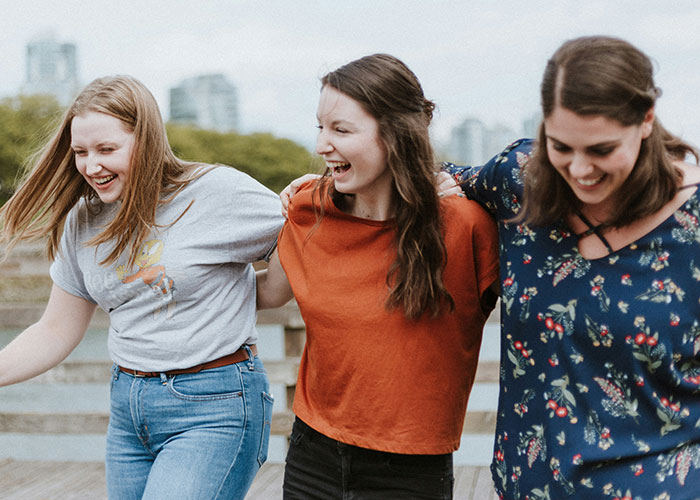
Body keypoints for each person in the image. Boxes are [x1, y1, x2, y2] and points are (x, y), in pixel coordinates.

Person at [439, 36, 700, 498]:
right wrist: (320, 192)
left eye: (601, 150)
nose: (579, 169)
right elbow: (433, 177)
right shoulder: (520, 178)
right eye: (561, 146)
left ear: (646, 121)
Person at [0, 75, 283, 499]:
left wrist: (251, 291)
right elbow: (55, 331)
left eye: (107, 149)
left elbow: (304, 238)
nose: (91, 165)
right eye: (80, 152)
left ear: (146, 140)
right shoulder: (83, 220)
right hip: (129, 410)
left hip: (214, 406)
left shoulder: (215, 193)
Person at [256, 53, 499, 499]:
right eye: (320, 127)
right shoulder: (308, 209)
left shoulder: (466, 226)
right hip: (313, 453)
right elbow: (267, 293)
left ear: (395, 136)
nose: (321, 145)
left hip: (410, 471)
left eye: (341, 130)